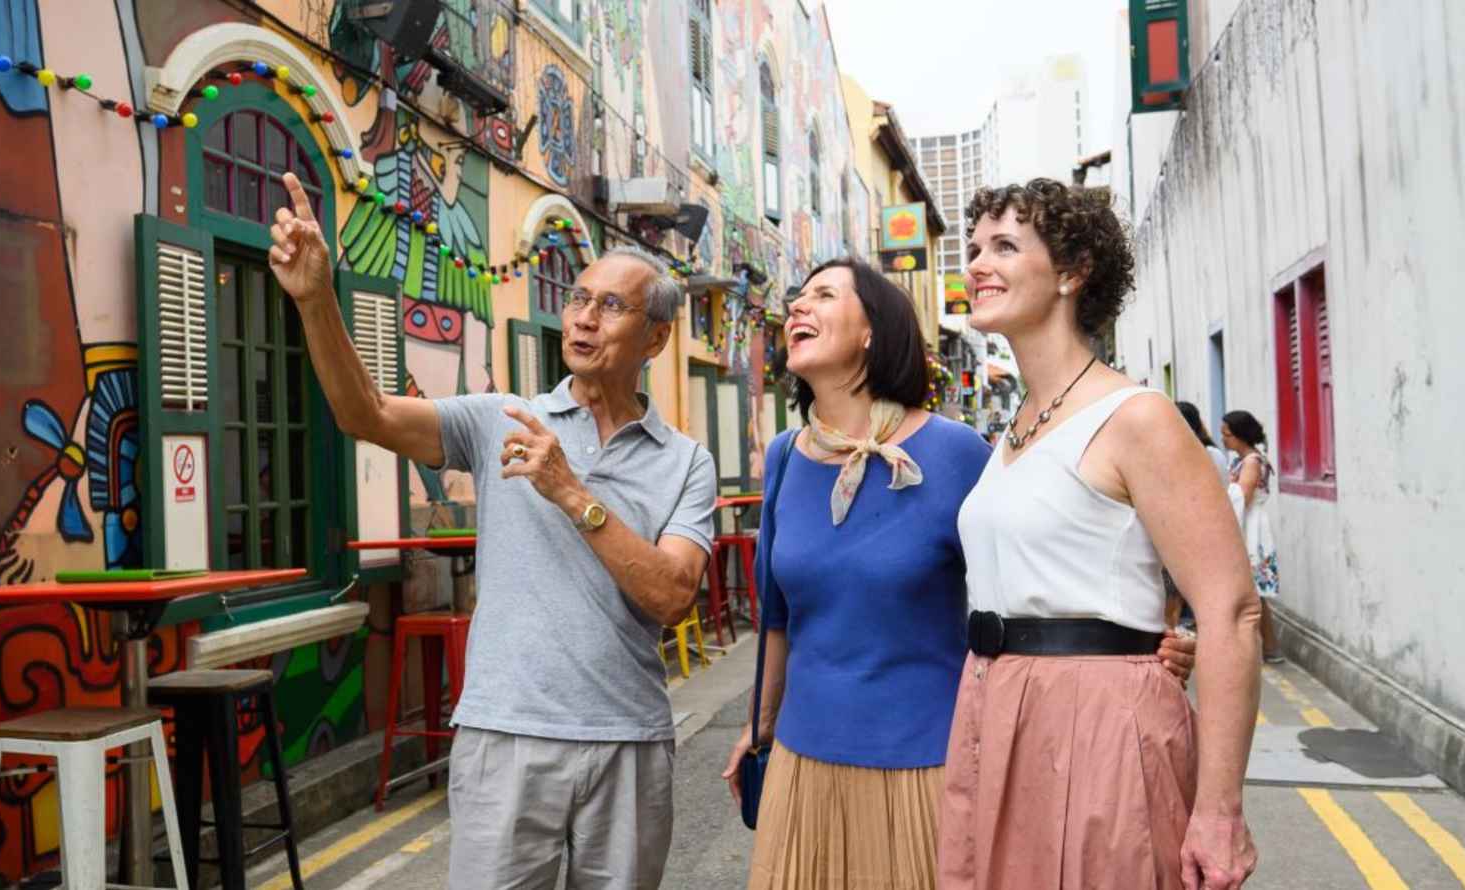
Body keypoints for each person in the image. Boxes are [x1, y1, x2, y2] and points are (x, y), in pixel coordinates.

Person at [268, 173, 716, 889]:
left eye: (610, 306)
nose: (583, 318)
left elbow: (673, 597)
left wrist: (573, 495)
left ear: (656, 338)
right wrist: (317, 300)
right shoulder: (500, 418)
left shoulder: (687, 462)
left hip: (628, 742)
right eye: (577, 299)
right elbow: (367, 416)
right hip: (506, 736)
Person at [719, 257, 1195, 889]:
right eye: (797, 299)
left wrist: (1142, 643)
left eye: (824, 296)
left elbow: (1041, 576)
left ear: (872, 332)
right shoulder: (783, 457)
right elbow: (777, 616)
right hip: (802, 763)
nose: (798, 308)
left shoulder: (956, 453)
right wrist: (761, 722)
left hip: (931, 765)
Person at [941, 179, 1261, 890]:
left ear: (1071, 271)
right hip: (997, 709)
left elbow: (1232, 611)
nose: (976, 265)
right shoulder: (1014, 430)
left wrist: (1219, 810)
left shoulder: (1137, 416)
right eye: (972, 250)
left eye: (1003, 246)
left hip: (1100, 722)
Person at [1221, 410, 1283, 664]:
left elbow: (1242, 497)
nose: (1223, 439)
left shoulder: (1252, 462)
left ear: (1240, 436)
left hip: (1251, 529)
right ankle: (1268, 647)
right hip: (1248, 525)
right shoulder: (1243, 460)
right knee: (1254, 592)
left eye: (1227, 434)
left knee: (1252, 591)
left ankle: (1264, 646)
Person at [1165, 401, 1231, 627]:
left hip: (1188, 527)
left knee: (1180, 586)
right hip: (1210, 527)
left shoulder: (1183, 453)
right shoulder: (1215, 454)